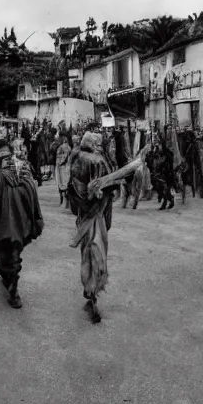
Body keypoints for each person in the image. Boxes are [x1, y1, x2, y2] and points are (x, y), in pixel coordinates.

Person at [0, 139, 43, 308]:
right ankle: (12, 285)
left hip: (0, 220)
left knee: (4, 247)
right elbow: (32, 191)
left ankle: (12, 287)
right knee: (15, 249)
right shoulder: (22, 165)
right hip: (21, 220)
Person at [68, 132, 116, 323]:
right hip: (95, 215)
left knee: (87, 253)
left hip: (83, 215)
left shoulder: (75, 157)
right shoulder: (96, 161)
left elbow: (70, 188)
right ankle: (92, 297)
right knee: (96, 255)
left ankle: (90, 294)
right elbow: (107, 188)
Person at [55, 134, 72, 207]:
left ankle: (64, 201)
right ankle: (64, 201)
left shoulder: (63, 147)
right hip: (65, 166)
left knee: (62, 183)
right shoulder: (67, 146)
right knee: (64, 183)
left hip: (62, 167)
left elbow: (64, 157)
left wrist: (60, 163)